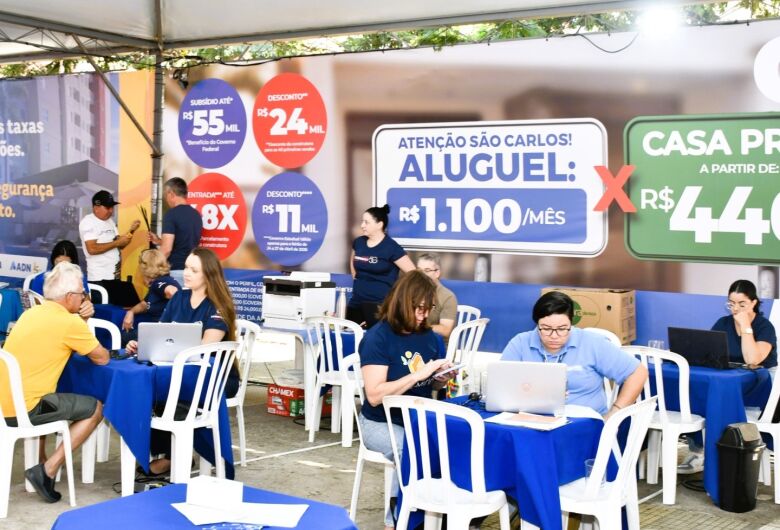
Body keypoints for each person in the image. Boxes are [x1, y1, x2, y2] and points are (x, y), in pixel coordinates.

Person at [0, 262, 108, 503]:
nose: (84, 298)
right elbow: (102, 358)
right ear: (69, 297)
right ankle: (47, 470)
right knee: (95, 408)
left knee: (55, 393)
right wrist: (82, 319)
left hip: (3, 403)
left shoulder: (31, 313)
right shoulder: (68, 322)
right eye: (81, 293)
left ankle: (43, 463)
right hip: (26, 409)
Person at [126, 247, 237, 476]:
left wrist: (169, 351)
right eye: (186, 267)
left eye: (194, 270)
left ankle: (174, 455)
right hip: (177, 371)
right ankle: (171, 453)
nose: (186, 273)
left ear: (209, 274)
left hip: (214, 378)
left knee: (161, 392)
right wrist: (142, 345)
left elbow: (205, 349)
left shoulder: (219, 305)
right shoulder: (179, 298)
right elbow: (161, 334)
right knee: (145, 390)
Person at [359, 270, 454, 529]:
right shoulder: (378, 337)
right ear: (402, 302)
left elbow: (431, 385)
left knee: (453, 446)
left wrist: (441, 378)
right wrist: (417, 375)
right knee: (411, 449)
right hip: (379, 422)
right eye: (418, 309)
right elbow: (374, 396)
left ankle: (439, 512)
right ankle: (399, 520)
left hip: (419, 421)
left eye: (428, 309)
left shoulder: (431, 338)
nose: (423, 316)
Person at [680, 279, 778, 474]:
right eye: (731, 303)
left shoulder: (764, 327)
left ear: (754, 302)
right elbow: (708, 353)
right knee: (694, 393)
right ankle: (699, 449)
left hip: (758, 387)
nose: (735, 309)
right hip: (729, 380)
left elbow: (753, 359)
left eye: (742, 304)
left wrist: (746, 327)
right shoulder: (723, 323)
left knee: (715, 398)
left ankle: (723, 456)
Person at [501, 291, 647, 417]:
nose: (554, 335)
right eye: (546, 328)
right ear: (537, 324)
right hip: (531, 417)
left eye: (562, 329)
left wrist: (614, 413)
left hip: (582, 421)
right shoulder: (520, 343)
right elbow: (502, 384)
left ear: (571, 323)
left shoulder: (592, 342)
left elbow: (638, 373)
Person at [348, 204, 415, 328]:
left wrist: (399, 296)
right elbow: (353, 261)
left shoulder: (391, 247)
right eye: (362, 221)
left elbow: (414, 274)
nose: (362, 225)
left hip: (380, 307)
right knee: (349, 337)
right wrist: (357, 279)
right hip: (356, 303)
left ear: (379, 225)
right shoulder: (359, 242)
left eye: (366, 222)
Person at [79, 190, 141, 305]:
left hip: (114, 278)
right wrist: (117, 243)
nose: (111, 211)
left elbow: (121, 245)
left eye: (112, 207)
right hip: (99, 279)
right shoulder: (88, 222)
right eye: (107, 207)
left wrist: (131, 231)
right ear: (96, 207)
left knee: (119, 309)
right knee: (104, 311)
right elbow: (92, 249)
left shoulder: (110, 222)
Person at [148, 177, 203, 286]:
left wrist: (152, 272)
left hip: (176, 271)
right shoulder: (196, 215)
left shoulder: (171, 215)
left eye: (165, 195)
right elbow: (184, 240)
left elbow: (166, 249)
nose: (166, 199)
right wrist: (159, 241)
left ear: (171, 193)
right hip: (193, 271)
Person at [121, 249, 180, 337]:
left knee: (123, 336)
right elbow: (144, 304)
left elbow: (174, 292)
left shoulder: (158, 283)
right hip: (158, 330)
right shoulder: (159, 281)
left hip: (161, 333)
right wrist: (131, 312)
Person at [416, 252, 457, 342]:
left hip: (435, 344)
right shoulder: (412, 291)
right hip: (413, 340)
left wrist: (418, 328)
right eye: (419, 270)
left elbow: (445, 330)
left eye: (426, 270)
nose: (421, 274)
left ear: (437, 273)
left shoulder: (448, 297)